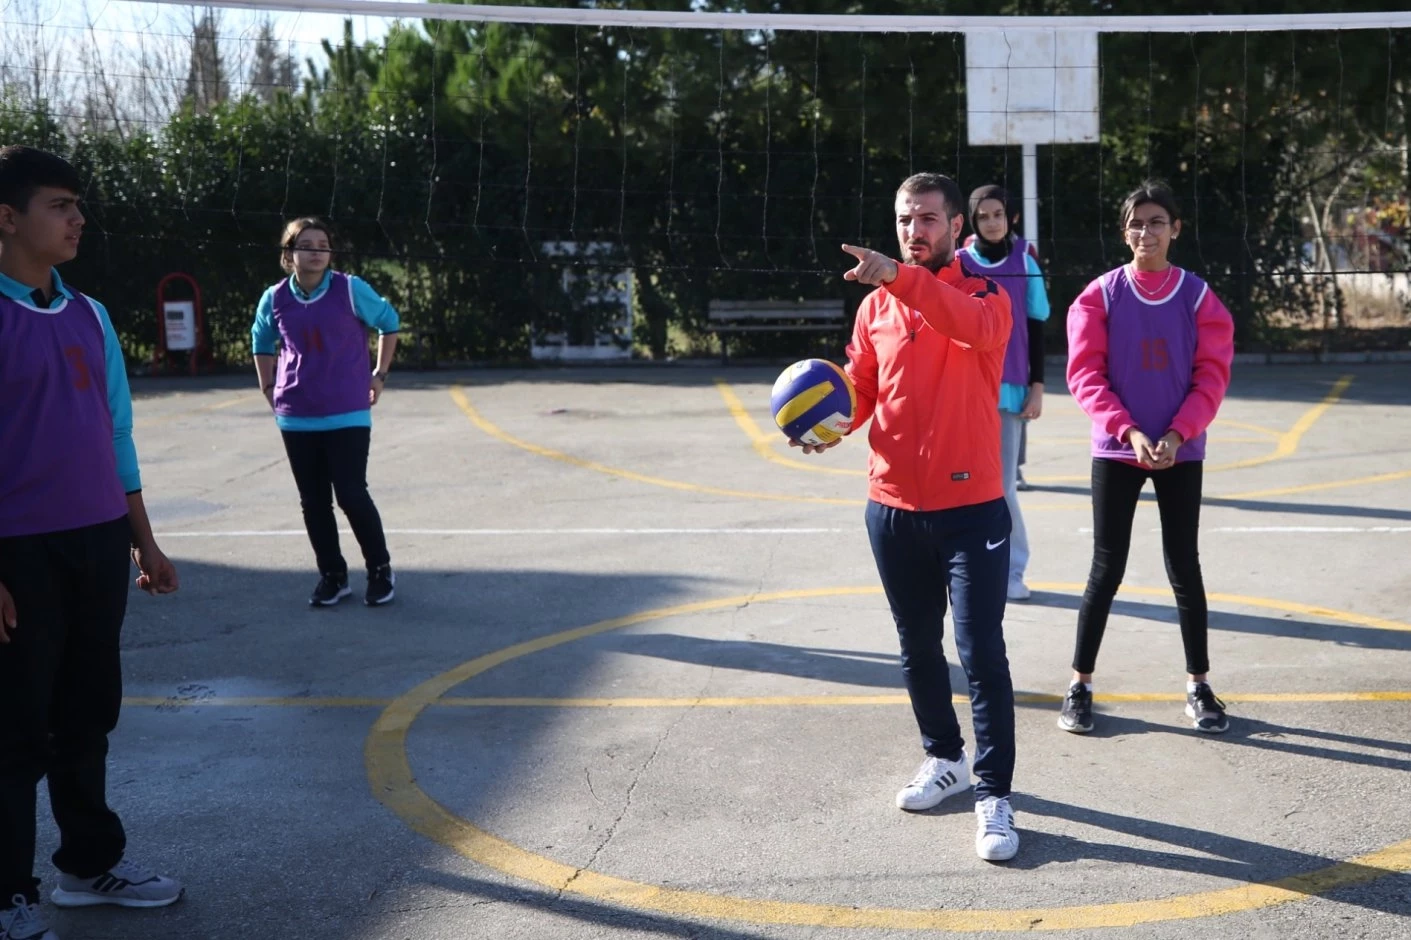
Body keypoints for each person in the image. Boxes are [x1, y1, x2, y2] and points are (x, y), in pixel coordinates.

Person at [794, 172, 1020, 862]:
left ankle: (994, 794)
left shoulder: (986, 296)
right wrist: (832, 423)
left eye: (926, 218)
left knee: (979, 651)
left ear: (955, 227)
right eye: (903, 219)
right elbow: (863, 385)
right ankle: (945, 758)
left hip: (971, 508)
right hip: (892, 506)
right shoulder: (875, 309)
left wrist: (899, 278)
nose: (912, 230)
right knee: (916, 645)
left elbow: (964, 325)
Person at [0, 145, 183, 940]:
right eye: (59, 205)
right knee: (14, 730)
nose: (77, 219)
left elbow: (117, 434)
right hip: (17, 551)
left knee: (87, 714)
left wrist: (144, 542)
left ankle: (87, 865)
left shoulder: (91, 314)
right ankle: (7, 894)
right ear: (8, 219)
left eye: (78, 205)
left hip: (99, 540)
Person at [1060, 181, 1235, 735]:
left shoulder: (1198, 297)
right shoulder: (1100, 296)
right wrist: (1128, 430)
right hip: (1119, 448)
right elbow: (1084, 375)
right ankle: (1080, 685)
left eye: (1157, 221)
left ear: (1175, 229)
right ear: (1124, 232)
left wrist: (1180, 433)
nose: (1146, 232)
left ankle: (1199, 686)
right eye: (1136, 223)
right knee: (1106, 568)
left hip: (1180, 449)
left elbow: (1212, 376)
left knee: (1184, 565)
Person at [251, 218, 401, 607]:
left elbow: (389, 323)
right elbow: (261, 341)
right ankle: (333, 575)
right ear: (289, 254)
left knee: (351, 493)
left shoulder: (350, 289)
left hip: (347, 410)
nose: (317, 251)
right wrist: (268, 388)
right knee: (314, 501)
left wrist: (380, 374)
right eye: (307, 244)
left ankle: (380, 570)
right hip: (296, 413)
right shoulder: (275, 298)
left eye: (323, 244)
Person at [958, 185, 1050, 600]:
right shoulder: (958, 262)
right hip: (961, 388)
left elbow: (1037, 325)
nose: (991, 222)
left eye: (998, 214)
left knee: (1002, 486)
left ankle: (1013, 570)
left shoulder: (1024, 261)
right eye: (983, 216)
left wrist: (1037, 386)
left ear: (1011, 216)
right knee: (961, 484)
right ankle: (968, 566)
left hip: (1008, 389)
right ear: (972, 221)